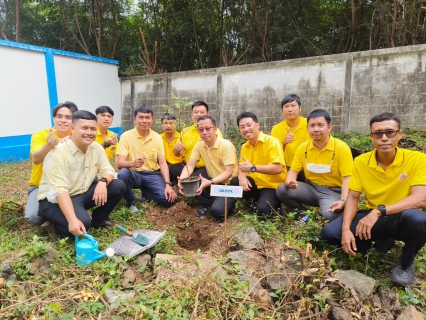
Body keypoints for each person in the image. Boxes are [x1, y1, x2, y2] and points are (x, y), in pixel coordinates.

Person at [321, 113, 426, 286]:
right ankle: (382, 240)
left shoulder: (418, 160)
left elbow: (421, 199)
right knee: (330, 234)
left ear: (400, 134)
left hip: (401, 217)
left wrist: (379, 211)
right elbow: (353, 198)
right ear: (371, 137)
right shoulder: (361, 162)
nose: (384, 138)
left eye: (390, 132)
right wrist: (346, 229)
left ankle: (406, 263)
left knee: (419, 219)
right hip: (375, 216)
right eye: (378, 133)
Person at [37, 111, 127, 239]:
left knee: (118, 185)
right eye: (84, 128)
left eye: (93, 129)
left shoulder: (96, 148)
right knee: (81, 224)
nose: (89, 133)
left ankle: (99, 218)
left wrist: (102, 182)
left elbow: (108, 170)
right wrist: (73, 220)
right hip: (54, 200)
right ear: (72, 129)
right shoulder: (57, 153)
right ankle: (54, 226)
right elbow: (60, 190)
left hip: (80, 193)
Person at [276, 109, 353, 221]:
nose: (316, 129)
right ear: (307, 128)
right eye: (312, 126)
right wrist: (289, 181)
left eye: (320, 125)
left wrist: (343, 200)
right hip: (311, 188)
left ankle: (336, 211)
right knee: (282, 189)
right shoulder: (303, 148)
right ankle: (303, 216)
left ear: (329, 127)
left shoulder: (341, 148)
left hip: (332, 191)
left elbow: (347, 178)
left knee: (330, 215)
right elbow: (293, 170)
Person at [25, 101, 78, 226]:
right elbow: (36, 159)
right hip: (40, 186)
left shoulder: (76, 136)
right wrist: (49, 145)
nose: (63, 120)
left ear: (74, 120)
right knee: (34, 217)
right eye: (59, 116)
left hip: (67, 185)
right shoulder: (41, 135)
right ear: (54, 118)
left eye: (68, 117)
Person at [116, 105, 177, 214]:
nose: (144, 121)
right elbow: (119, 164)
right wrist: (132, 163)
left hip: (153, 174)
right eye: (141, 117)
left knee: (168, 200)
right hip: (134, 174)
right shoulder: (126, 136)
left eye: (147, 117)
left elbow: (162, 163)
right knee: (123, 173)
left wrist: (168, 184)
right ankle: (131, 202)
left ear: (152, 120)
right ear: (135, 119)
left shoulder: (157, 137)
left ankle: (146, 193)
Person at [225, 112, 287, 215]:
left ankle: (273, 205)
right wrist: (242, 177)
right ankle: (254, 203)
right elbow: (242, 168)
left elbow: (278, 168)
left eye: (249, 125)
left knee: (263, 212)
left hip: (272, 186)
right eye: (242, 127)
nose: (246, 129)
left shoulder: (272, 142)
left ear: (257, 125)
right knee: (236, 182)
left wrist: (253, 168)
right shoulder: (245, 146)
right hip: (256, 184)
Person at [177, 115, 238, 218]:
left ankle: (230, 202)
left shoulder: (226, 145)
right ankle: (208, 205)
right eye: (201, 130)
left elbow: (228, 172)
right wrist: (182, 179)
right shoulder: (200, 145)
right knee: (198, 179)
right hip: (213, 182)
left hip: (229, 184)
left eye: (208, 129)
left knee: (218, 212)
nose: (204, 132)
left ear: (215, 129)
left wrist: (210, 182)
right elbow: (190, 165)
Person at [173, 101, 223, 178]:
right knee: (170, 169)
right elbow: (176, 154)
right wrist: (177, 149)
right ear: (192, 115)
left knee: (194, 178)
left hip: (206, 167)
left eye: (202, 112)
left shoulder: (213, 131)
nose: (198, 114)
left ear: (207, 114)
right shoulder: (185, 131)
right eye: (196, 112)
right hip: (189, 165)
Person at [271, 94, 310, 181]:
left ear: (300, 108)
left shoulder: (309, 124)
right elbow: (273, 152)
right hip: (287, 167)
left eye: (293, 106)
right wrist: (283, 142)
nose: (290, 109)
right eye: (286, 106)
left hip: (307, 166)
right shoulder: (276, 129)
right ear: (282, 110)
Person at [160, 113, 185, 185]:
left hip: (180, 165)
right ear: (162, 125)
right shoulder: (158, 138)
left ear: (175, 124)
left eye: (171, 123)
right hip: (165, 164)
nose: (168, 126)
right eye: (165, 123)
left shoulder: (181, 137)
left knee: (168, 169)